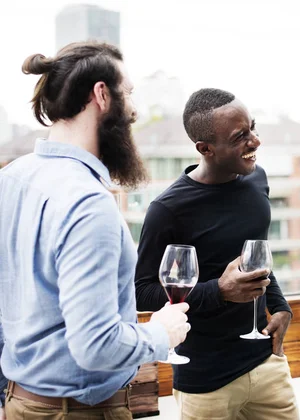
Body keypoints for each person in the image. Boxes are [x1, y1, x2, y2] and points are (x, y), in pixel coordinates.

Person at [0, 41, 190, 420]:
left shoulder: (11, 180)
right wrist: (161, 334)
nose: (134, 110)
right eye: (130, 93)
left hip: (19, 404)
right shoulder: (89, 203)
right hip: (79, 413)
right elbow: (96, 346)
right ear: (102, 95)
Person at [135, 88, 299, 420]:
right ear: (205, 148)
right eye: (241, 136)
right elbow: (142, 292)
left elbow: (256, 261)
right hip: (205, 380)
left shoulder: (258, 181)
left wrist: (279, 306)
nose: (255, 141)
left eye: (252, 128)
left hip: (266, 364)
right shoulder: (167, 209)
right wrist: (219, 292)